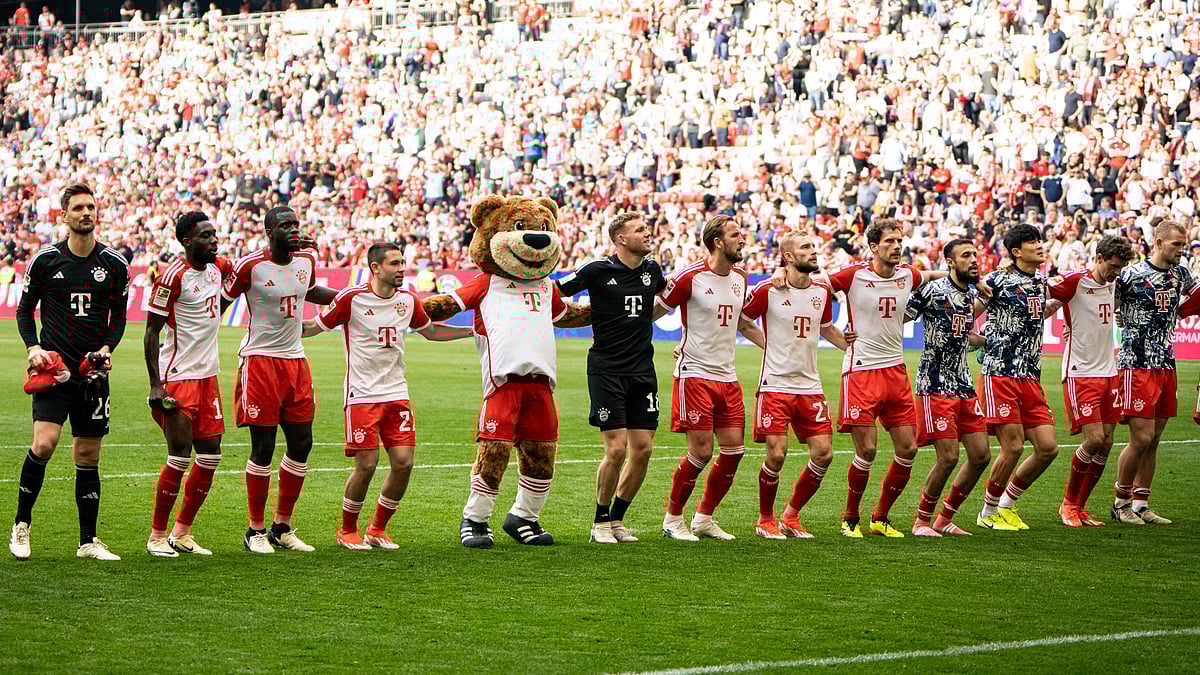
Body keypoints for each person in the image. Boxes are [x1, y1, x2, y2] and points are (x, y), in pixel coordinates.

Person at [302, 242, 473, 550]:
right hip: (362, 394)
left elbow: (431, 331)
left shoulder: (408, 301)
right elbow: (315, 326)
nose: (401, 268)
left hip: (397, 393)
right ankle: (347, 530)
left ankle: (378, 528)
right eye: (394, 263)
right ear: (376, 268)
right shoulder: (351, 299)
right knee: (366, 465)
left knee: (404, 463)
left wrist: (472, 331)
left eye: (402, 262)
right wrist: (275, 326)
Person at [11, 183, 129, 561]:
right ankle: (21, 524)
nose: (86, 213)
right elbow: (23, 309)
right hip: (56, 370)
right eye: (77, 207)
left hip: (92, 373)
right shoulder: (45, 261)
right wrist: (34, 348)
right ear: (64, 216)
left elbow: (120, 316)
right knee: (44, 443)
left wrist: (107, 350)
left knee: (88, 455)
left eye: (90, 207)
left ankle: (87, 541)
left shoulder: (114, 265)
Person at [219, 206, 336, 553]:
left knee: (302, 444)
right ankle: (254, 530)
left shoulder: (306, 262)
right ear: (269, 232)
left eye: (296, 224)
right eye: (285, 225)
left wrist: (353, 298)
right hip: (259, 362)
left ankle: (281, 527)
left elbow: (311, 292)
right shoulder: (250, 266)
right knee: (263, 447)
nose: (293, 230)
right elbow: (220, 303)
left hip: (295, 361)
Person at [824, 219, 946, 538]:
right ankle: (851, 518)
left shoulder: (908, 274)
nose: (896, 246)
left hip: (895, 372)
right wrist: (833, 332)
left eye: (899, 240)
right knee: (867, 451)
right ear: (874, 247)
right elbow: (817, 286)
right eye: (890, 240)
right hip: (861, 371)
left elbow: (932, 276)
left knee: (908, 449)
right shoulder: (853, 275)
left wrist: (965, 276)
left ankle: (881, 517)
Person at [556, 213, 668, 544]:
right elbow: (556, 291)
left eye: (646, 229)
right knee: (616, 449)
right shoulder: (596, 271)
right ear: (620, 239)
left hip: (643, 370)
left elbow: (666, 299)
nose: (647, 233)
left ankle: (617, 519)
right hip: (607, 370)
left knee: (643, 449)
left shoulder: (653, 271)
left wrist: (649, 318)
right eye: (638, 230)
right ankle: (599, 521)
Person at [657, 215, 765, 541]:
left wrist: (772, 348)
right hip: (695, 375)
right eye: (735, 235)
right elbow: (655, 311)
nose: (742, 239)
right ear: (718, 242)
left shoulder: (741, 278)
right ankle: (673, 519)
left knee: (734, 452)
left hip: (727, 377)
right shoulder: (689, 277)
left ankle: (704, 517)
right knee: (701, 453)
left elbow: (744, 324)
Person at [741, 230, 853, 539]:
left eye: (814, 247)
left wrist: (851, 347)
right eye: (806, 248)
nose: (813, 252)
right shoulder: (767, 290)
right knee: (776, 454)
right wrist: (767, 344)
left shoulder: (821, 291)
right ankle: (766, 520)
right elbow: (742, 320)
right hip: (775, 384)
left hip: (811, 386)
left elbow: (827, 328)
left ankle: (791, 516)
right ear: (789, 257)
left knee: (824, 453)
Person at [142, 212, 232, 557]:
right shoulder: (172, 278)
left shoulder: (217, 268)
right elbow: (151, 330)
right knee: (179, 456)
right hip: (178, 377)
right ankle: (156, 536)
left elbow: (241, 273)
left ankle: (183, 532)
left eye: (214, 234)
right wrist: (155, 385)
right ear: (187, 241)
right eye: (206, 236)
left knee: (210, 455)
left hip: (208, 376)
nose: (214, 241)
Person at [975, 224, 1062, 532]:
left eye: (1040, 240)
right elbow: (969, 311)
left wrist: (1062, 303)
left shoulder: (1042, 282)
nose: (1040, 246)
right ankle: (987, 511)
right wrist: (980, 340)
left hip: (1030, 376)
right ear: (1015, 251)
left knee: (1048, 447)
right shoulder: (997, 280)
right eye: (1032, 242)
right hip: (1000, 374)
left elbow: (1038, 311)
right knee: (1012, 447)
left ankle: (1008, 504)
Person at [903, 238, 991, 537]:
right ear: (950, 261)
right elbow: (900, 317)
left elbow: (964, 337)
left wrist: (990, 340)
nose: (974, 260)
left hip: (964, 384)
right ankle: (922, 521)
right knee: (949, 457)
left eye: (975, 255)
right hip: (935, 385)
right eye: (966, 255)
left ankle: (945, 518)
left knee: (981, 455)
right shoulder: (932, 291)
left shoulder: (969, 297)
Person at [1110, 220, 1195, 525]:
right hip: (1137, 364)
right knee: (1141, 438)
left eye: (1184, 245)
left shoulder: (1180, 275)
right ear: (1158, 243)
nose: (1181, 251)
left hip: (1166, 364)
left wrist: (1184, 310)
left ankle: (1141, 503)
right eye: (1176, 245)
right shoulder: (1131, 275)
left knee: (1155, 438)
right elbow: (1109, 307)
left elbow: (1196, 295)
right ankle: (1120, 502)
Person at [1049, 236, 1134, 528]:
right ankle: (1068, 505)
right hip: (1080, 372)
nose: (1116, 272)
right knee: (1094, 439)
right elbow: (1043, 291)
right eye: (1112, 266)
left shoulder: (1115, 284)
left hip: (1109, 372)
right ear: (1098, 258)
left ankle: (1082, 507)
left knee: (1107, 443)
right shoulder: (1075, 281)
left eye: (1120, 268)